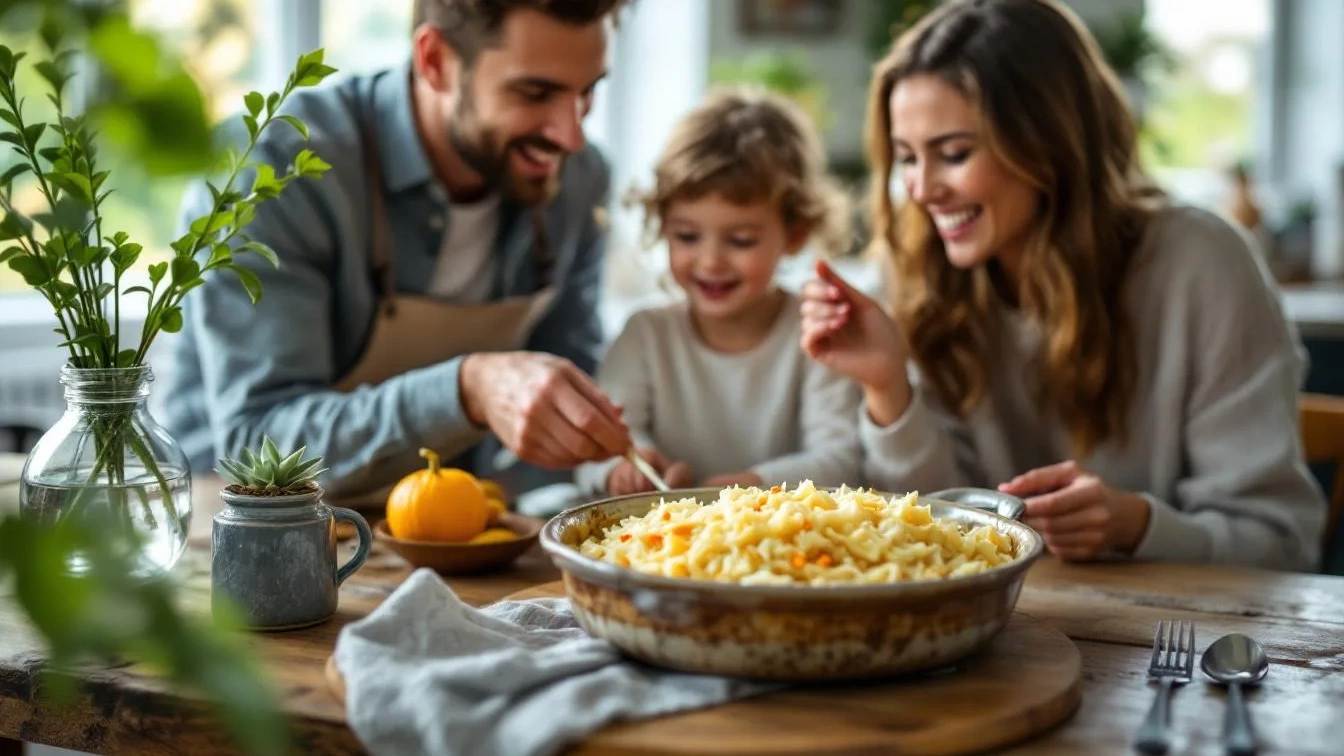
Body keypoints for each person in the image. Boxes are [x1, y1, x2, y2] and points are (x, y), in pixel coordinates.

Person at [799, 0, 1326, 571]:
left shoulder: (1202, 264)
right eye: (907, 158)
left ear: (1048, 143)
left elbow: (1281, 542)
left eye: (954, 154)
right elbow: (932, 532)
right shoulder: (917, 272)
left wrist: (1135, 525)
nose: (923, 191)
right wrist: (887, 385)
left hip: (1169, 635)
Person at [161, 0, 636, 503]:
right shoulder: (278, 170)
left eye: (588, 92)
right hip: (246, 533)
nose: (571, 133)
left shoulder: (579, 181)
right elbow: (259, 448)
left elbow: (561, 418)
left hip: (448, 529)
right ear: (434, 61)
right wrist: (467, 390)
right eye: (535, 93)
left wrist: (615, 466)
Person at [575, 87, 862, 497]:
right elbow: (597, 444)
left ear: (794, 233)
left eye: (741, 240)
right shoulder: (645, 336)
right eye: (687, 236)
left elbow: (841, 459)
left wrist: (750, 487)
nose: (710, 261)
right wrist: (627, 464)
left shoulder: (819, 337)